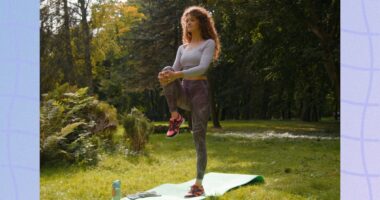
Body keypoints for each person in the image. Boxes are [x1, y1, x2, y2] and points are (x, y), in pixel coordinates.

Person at [157, 5, 221, 198]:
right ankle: (175, 116)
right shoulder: (182, 48)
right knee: (168, 68)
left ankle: (198, 185)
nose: (188, 22)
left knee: (198, 139)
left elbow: (202, 68)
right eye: (187, 20)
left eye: (192, 19)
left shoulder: (208, 44)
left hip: (199, 93)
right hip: (184, 91)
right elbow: (174, 71)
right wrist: (165, 76)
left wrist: (177, 74)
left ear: (201, 22)